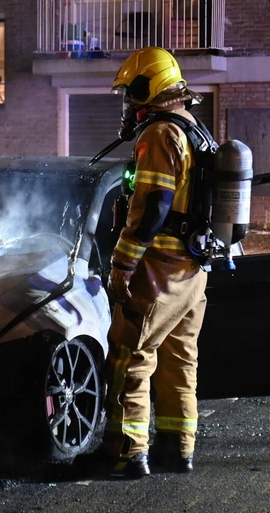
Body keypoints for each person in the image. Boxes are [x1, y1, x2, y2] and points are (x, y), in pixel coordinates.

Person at [98, 46, 214, 479]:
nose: (129, 103)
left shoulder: (159, 134)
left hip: (160, 264)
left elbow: (154, 207)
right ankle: (177, 450)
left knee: (132, 354)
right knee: (180, 361)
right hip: (192, 266)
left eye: (131, 92)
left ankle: (129, 452)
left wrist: (123, 265)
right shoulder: (194, 128)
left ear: (150, 86)